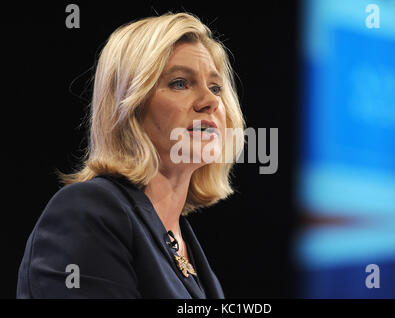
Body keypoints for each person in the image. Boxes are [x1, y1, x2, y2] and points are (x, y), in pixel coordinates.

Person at [17, 12, 245, 299]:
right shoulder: (87, 212)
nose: (211, 101)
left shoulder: (184, 241)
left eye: (216, 87)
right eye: (180, 83)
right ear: (130, 107)